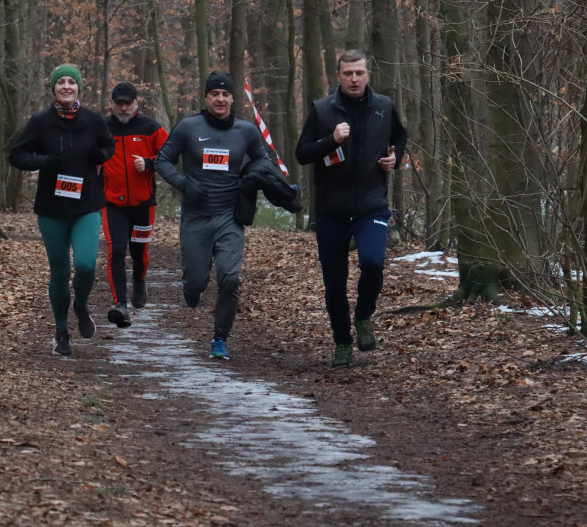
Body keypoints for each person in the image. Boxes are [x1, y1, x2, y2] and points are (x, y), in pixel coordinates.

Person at [295, 50, 407, 368]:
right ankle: (342, 343)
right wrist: (331, 140)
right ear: (338, 76)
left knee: (373, 263)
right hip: (332, 210)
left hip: (372, 204)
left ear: (368, 74)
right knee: (335, 283)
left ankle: (363, 317)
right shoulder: (322, 110)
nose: (354, 79)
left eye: (359, 72)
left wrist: (395, 157)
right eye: (348, 73)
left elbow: (400, 135)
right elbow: (303, 153)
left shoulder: (383, 106)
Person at [154, 71, 271, 360]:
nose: (220, 99)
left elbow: (263, 162)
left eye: (225, 94)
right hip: (196, 216)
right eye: (214, 94)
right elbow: (162, 160)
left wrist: (252, 181)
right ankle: (192, 288)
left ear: (233, 98)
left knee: (230, 278)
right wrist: (184, 184)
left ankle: (220, 339)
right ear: (206, 97)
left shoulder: (246, 131)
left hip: (229, 217)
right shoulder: (188, 127)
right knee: (195, 282)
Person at [9, 64, 115, 357]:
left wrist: (100, 155)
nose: (66, 86)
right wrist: (43, 161)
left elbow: (109, 145)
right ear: (54, 89)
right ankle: (60, 331)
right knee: (60, 271)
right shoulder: (41, 122)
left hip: (87, 206)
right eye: (61, 83)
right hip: (52, 209)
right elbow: (16, 155)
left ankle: (81, 304)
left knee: (85, 266)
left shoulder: (93, 120)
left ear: (79, 88)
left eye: (71, 82)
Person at [101, 82, 169, 328]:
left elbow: (170, 155)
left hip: (143, 204)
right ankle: (120, 305)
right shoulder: (102, 128)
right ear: (111, 104)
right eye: (119, 103)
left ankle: (139, 282)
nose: (123, 107)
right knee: (116, 250)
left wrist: (150, 163)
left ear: (136, 103)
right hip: (111, 203)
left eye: (128, 103)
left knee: (139, 253)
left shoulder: (151, 128)